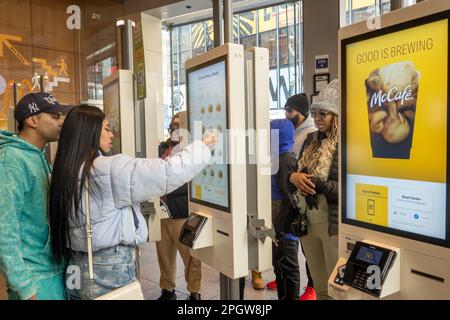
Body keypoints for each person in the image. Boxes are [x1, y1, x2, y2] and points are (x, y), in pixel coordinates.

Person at [49, 105, 217, 300]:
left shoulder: (64, 170)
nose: (111, 134)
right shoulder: (108, 169)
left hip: (76, 268)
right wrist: (204, 145)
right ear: (90, 132)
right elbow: (167, 172)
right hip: (108, 270)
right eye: (106, 128)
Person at [0, 92, 71, 300]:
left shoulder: (37, 156)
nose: (61, 122)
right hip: (34, 278)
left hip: (50, 271)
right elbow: (4, 228)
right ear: (32, 120)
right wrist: (24, 286)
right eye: (55, 116)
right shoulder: (12, 160)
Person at [289, 79, 340, 299]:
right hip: (307, 220)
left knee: (335, 287)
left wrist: (321, 186)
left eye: (324, 114)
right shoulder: (310, 140)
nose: (318, 118)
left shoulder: (343, 144)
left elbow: (348, 190)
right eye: (315, 113)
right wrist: (295, 177)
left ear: (335, 116)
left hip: (331, 224)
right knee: (319, 284)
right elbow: (292, 170)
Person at [156, 113, 202, 300]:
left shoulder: (193, 150)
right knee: (164, 256)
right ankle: (167, 290)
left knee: (191, 257)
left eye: (178, 125)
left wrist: (164, 183)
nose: (174, 128)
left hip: (183, 212)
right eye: (172, 125)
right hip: (162, 211)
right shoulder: (163, 147)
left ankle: (194, 293)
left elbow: (191, 182)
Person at [270, 119, 301, 299]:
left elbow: (290, 198)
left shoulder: (286, 159)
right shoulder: (277, 158)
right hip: (279, 224)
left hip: (285, 227)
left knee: (288, 267)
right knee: (281, 266)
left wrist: (283, 227)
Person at [284, 93, 317, 158]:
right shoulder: (289, 131)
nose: (286, 114)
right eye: (285, 110)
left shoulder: (312, 134)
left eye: (289, 110)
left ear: (301, 112)